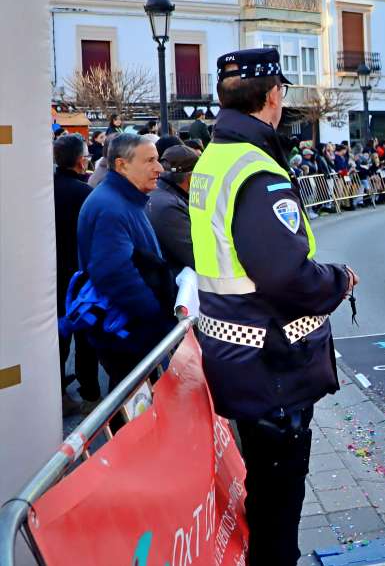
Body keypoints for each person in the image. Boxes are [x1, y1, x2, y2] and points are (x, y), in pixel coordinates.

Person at [190, 47, 357, 565]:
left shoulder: (215, 156)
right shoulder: (257, 170)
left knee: (264, 499)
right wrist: (338, 280)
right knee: (279, 509)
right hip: (271, 363)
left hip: (237, 355)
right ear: (273, 96)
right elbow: (286, 275)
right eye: (282, 91)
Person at [73, 133, 176, 386]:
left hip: (131, 331)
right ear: (122, 165)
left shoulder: (121, 199)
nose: (159, 168)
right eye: (150, 160)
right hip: (129, 334)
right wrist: (157, 319)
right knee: (134, 411)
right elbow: (115, 276)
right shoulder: (110, 206)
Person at [52, 134, 100, 410]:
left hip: (51, 276)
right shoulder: (85, 194)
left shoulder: (45, 190)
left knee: (58, 338)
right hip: (80, 276)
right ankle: (91, 395)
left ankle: (57, 391)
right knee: (85, 337)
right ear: (81, 161)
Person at [147, 145, 200, 274]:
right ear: (191, 177)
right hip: (174, 283)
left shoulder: (157, 194)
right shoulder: (169, 207)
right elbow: (197, 257)